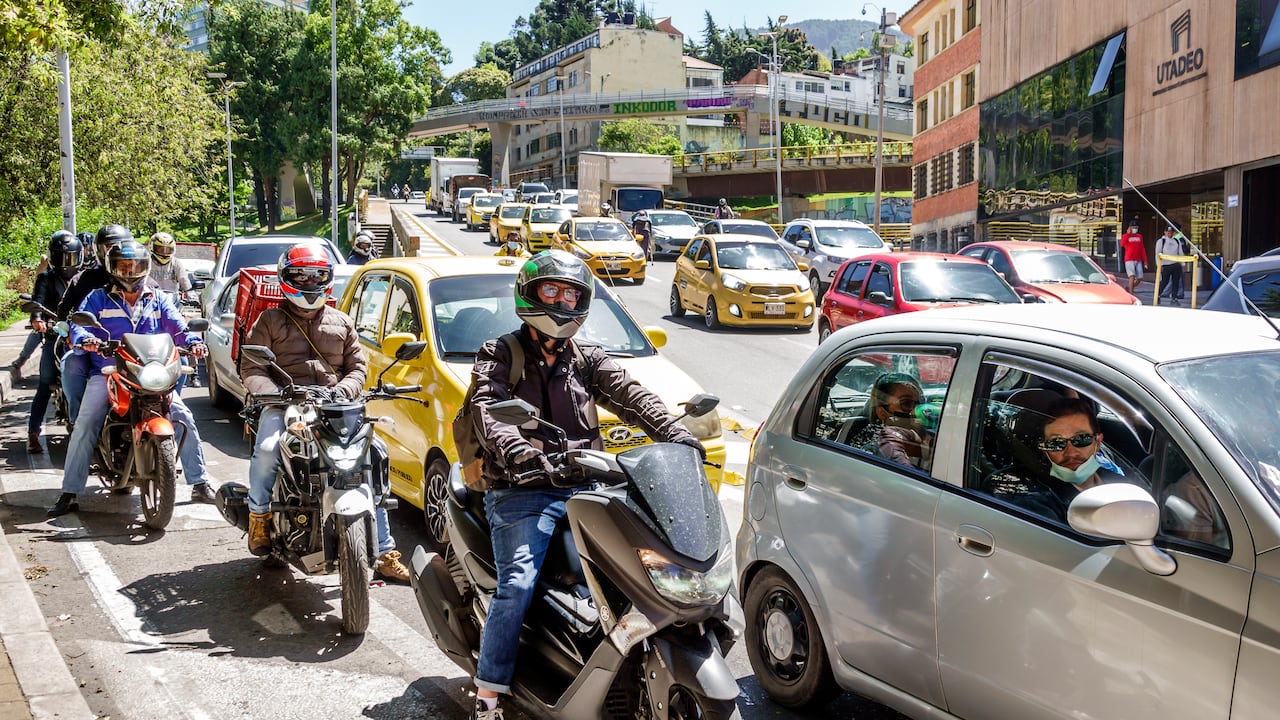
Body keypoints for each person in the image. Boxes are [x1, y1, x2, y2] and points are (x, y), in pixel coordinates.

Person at [464, 249, 705, 720]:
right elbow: (489, 411)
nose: (561, 301)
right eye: (550, 290)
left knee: (641, 566)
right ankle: (489, 694)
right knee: (518, 584)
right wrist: (521, 452)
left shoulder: (587, 359)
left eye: (571, 294)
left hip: (587, 487)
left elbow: (632, 396)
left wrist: (676, 435)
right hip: (523, 489)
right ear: (529, 294)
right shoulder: (500, 353)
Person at [239, 243, 409, 582]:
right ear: (286, 278)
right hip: (284, 405)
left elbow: (358, 368)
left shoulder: (342, 322)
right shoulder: (269, 320)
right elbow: (252, 368)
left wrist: (344, 390)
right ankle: (259, 516)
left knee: (373, 455)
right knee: (269, 448)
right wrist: (276, 393)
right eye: (301, 276)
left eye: (317, 276)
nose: (310, 283)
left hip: (335, 408)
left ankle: (385, 550)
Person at [48, 240, 213, 517]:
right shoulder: (98, 298)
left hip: (149, 372)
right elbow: (78, 326)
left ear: (145, 267)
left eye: (135, 266)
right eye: (123, 266)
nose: (130, 272)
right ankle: (70, 492)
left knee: (183, 416)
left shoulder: (158, 298)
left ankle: (200, 483)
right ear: (112, 268)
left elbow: (179, 328)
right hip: (109, 372)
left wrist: (194, 342)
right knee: (85, 424)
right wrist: (86, 338)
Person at [988, 396, 1129, 523]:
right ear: (1045, 450)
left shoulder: (1122, 484)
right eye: (1056, 443)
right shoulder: (1035, 500)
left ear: (1097, 443)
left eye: (1081, 439)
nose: (1070, 452)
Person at [57, 225, 137, 422]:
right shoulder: (84, 280)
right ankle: (77, 419)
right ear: (98, 250)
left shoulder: (145, 280)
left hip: (136, 350)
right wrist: (71, 333)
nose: (112, 252)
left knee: (181, 364)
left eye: (117, 246)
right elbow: (65, 311)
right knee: (71, 363)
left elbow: (167, 315)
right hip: (95, 347)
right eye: (107, 247)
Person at [25, 234, 81, 452]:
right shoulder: (45, 279)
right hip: (55, 336)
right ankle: (33, 433)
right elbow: (37, 301)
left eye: (70, 257)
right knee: (45, 381)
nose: (66, 263)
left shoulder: (84, 278)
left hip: (80, 335)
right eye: (61, 257)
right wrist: (37, 319)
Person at [849, 372, 931, 469]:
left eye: (920, 404)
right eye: (906, 404)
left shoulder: (925, 434)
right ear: (882, 414)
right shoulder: (874, 448)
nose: (917, 411)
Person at [11, 253, 51, 382]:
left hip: (71, 315)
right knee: (37, 332)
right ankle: (23, 358)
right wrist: (37, 318)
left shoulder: (81, 275)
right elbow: (38, 296)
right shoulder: (45, 275)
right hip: (48, 312)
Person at [1155, 226, 1185, 305]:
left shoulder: (1176, 241)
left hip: (1175, 264)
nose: (1169, 234)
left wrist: (1183, 263)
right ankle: (1157, 295)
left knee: (1176, 282)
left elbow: (1180, 253)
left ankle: (1174, 298)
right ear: (1165, 232)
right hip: (1165, 264)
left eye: (1171, 232)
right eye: (1168, 232)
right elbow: (1157, 254)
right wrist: (1159, 265)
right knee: (1164, 281)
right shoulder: (1161, 241)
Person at [1119, 222, 1147, 295]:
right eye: (1134, 227)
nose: (1135, 229)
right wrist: (1128, 234)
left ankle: (1130, 287)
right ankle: (1131, 293)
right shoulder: (1125, 236)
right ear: (1130, 227)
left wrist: (1145, 260)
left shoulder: (1139, 236)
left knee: (1140, 277)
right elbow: (1122, 244)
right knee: (1132, 276)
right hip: (1129, 259)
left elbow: (1142, 248)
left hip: (1138, 259)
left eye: (1136, 227)